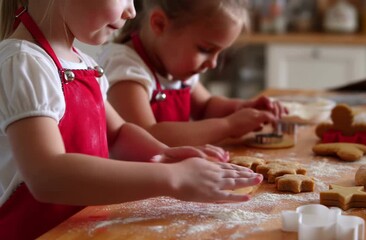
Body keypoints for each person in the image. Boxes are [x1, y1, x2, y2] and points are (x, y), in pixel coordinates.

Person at [0, 0, 263, 238]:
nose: (132, 11)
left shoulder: (84, 64)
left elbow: (117, 134)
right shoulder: (23, 63)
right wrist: (172, 177)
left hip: (77, 227)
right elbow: (47, 176)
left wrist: (164, 154)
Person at [98, 0, 287, 147]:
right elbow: (148, 136)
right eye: (205, 49)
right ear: (160, 24)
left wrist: (243, 108)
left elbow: (206, 106)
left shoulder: (176, 68)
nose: (213, 63)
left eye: (219, 53)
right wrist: (228, 126)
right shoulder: (125, 67)